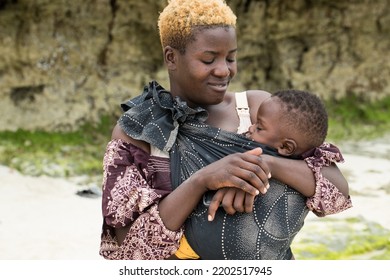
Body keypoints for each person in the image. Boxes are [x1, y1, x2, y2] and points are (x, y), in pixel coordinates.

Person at [99, 0, 351, 260]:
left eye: (231, 58)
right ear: (171, 57)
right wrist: (202, 180)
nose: (223, 70)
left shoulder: (256, 109)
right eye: (208, 59)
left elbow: (336, 193)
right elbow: (131, 249)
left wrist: (260, 164)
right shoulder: (140, 131)